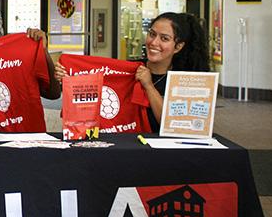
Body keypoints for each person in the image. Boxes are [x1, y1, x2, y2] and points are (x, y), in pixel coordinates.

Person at [54, 11, 209, 132]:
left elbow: (173, 124)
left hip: (164, 155)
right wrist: (69, 78)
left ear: (178, 46)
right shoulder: (128, 69)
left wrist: (148, 86)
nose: (154, 42)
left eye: (164, 38)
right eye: (152, 34)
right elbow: (92, 88)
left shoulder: (185, 81)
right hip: (125, 150)